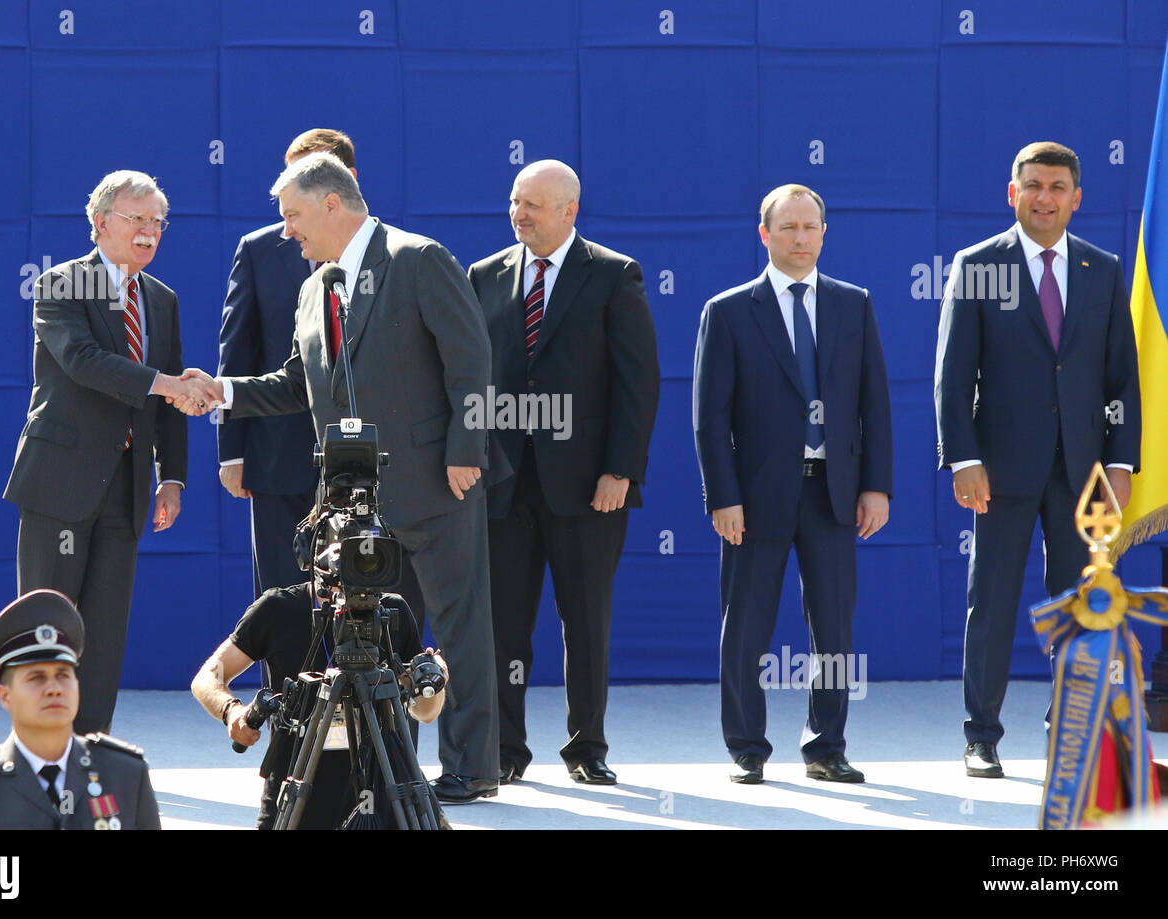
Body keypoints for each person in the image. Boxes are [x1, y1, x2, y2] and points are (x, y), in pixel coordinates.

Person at [176, 153, 501, 803]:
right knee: (369, 636)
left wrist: (466, 448)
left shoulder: (417, 259)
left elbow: (472, 362)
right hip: (352, 500)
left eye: (293, 215)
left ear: (333, 204)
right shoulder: (312, 288)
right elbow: (298, 383)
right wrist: (223, 392)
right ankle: (383, 765)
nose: (287, 230)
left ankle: (471, 766)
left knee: (458, 624)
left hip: (436, 481)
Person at [934, 141, 1141, 778]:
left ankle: (1070, 726)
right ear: (1012, 193)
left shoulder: (1103, 269)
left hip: (1084, 473)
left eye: (1056, 187)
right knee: (991, 601)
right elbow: (952, 373)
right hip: (999, 470)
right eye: (1032, 186)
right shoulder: (978, 267)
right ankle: (981, 735)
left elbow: (1120, 379)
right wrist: (963, 457)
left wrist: (1122, 463)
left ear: (1076, 198)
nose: (1044, 197)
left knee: (1080, 601)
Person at [467, 160, 659, 786]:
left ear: (570, 211)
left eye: (533, 205)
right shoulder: (483, 275)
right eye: (515, 201)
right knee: (503, 625)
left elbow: (638, 386)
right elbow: (468, 378)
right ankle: (504, 750)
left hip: (587, 488)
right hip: (503, 485)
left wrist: (621, 472)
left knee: (586, 619)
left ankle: (587, 746)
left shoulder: (612, 275)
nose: (519, 213)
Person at [693, 184, 892, 784]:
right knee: (748, 623)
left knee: (834, 626)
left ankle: (827, 746)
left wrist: (876, 485)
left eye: (810, 227)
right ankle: (747, 746)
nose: (801, 238)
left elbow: (874, 404)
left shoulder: (853, 304)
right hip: (753, 501)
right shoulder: (727, 311)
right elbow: (710, 417)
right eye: (788, 228)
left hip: (833, 494)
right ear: (765, 235)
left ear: (824, 233)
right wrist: (723, 497)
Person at [4, 170, 195, 735]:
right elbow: (85, 362)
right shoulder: (62, 284)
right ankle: (39, 744)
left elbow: (168, 396)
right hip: (60, 481)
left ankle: (90, 746)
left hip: (129, 486)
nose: (148, 232)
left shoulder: (161, 299)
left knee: (105, 628)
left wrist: (174, 477)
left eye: (157, 221)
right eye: (135, 219)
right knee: (47, 620)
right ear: (100, 223)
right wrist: (169, 384)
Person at [217, 129, 357, 601]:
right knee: (281, 598)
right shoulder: (258, 250)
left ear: (344, 183)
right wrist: (232, 452)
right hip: (276, 457)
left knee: (359, 595)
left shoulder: (391, 255)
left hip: (364, 460)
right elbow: (238, 351)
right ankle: (280, 680)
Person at [191, 579, 447, 829]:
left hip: (385, 785)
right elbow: (208, 677)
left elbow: (425, 713)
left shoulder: (392, 611)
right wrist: (231, 711)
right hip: (298, 786)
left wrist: (433, 684)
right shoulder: (278, 608)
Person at [0, 589, 161, 830]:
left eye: (63, 675)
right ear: (5, 696)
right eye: (36, 678)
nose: (54, 689)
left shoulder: (127, 774)